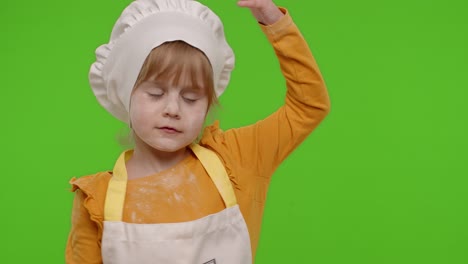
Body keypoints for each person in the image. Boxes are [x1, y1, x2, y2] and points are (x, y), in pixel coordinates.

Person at [65, 0, 330, 263]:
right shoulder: (97, 201)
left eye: (191, 98)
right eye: (156, 93)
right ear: (125, 94)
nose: (173, 108)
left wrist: (276, 24)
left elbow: (309, 106)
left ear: (207, 107)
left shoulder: (238, 158)